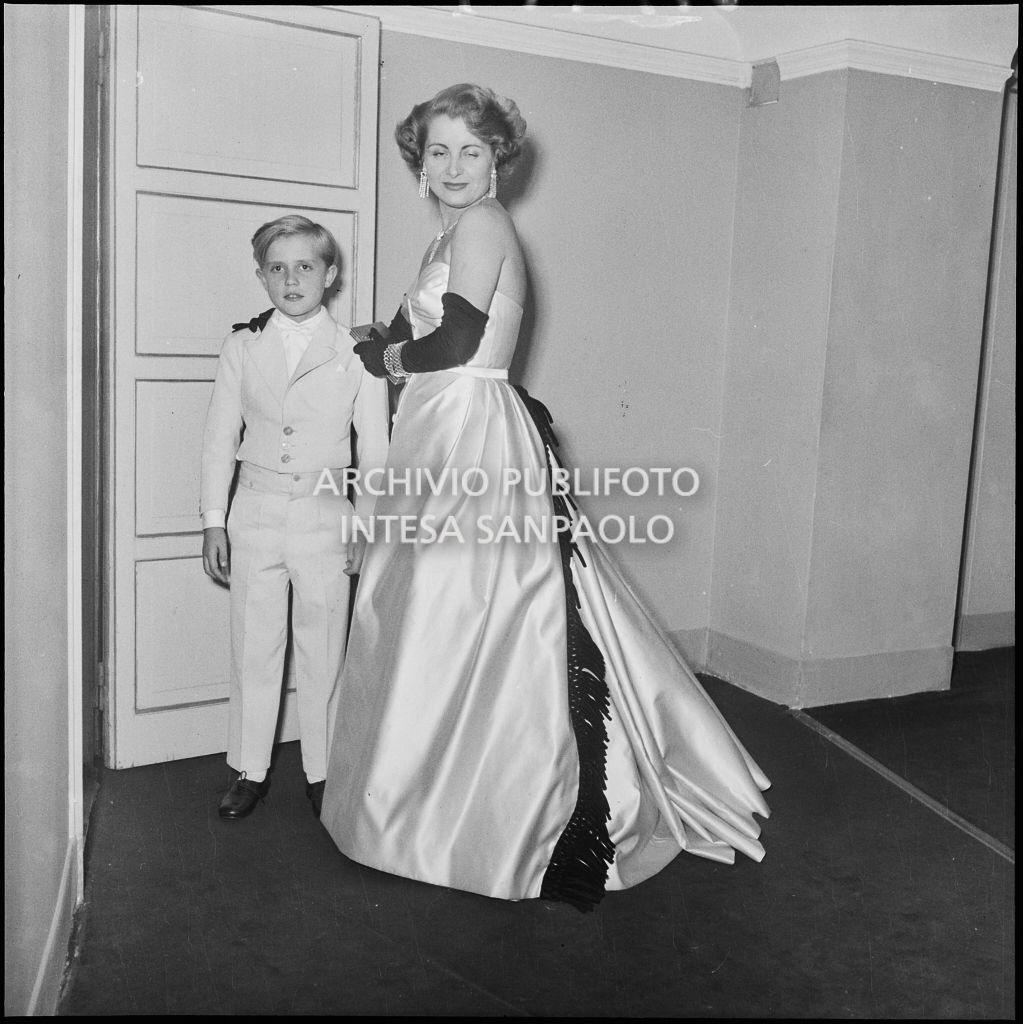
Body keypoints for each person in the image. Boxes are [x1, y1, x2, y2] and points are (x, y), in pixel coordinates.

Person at [320, 84, 770, 910]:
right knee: (431, 612)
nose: (453, 168)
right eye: (438, 152)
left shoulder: (485, 225)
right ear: (418, 166)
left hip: (470, 430)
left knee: (465, 615)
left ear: (498, 161)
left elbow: (451, 342)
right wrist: (359, 342)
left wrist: (382, 361)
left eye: (471, 152)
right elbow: (397, 335)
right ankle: (421, 801)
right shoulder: (447, 238)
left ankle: (490, 812)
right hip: (438, 428)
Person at [200, 215, 389, 821]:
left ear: (329, 275)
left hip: (325, 514)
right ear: (261, 276)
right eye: (276, 268)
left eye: (305, 265)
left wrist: (368, 525)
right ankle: (249, 769)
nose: (291, 279)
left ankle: (322, 769)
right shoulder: (242, 345)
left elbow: (376, 449)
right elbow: (218, 437)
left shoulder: (359, 354)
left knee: (323, 645)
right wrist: (213, 519)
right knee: (253, 645)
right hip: (254, 510)